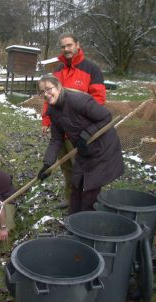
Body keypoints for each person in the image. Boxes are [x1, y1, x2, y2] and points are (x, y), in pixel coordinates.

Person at [37, 74, 123, 214]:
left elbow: (106, 117)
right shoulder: (52, 111)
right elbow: (56, 139)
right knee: (77, 183)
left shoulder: (78, 100)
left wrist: (86, 134)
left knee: (90, 189)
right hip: (84, 148)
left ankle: (86, 225)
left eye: (48, 89)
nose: (46, 94)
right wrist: (48, 165)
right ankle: (73, 219)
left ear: (58, 86)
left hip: (102, 147)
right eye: (42, 92)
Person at [41, 32, 107, 208]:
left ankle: (88, 201)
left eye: (69, 45)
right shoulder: (57, 71)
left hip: (80, 131)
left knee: (83, 167)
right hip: (60, 129)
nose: (66, 49)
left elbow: (98, 101)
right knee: (66, 166)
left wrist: (88, 130)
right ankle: (70, 198)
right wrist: (46, 120)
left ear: (77, 44)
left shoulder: (91, 69)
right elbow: (48, 97)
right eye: (63, 46)